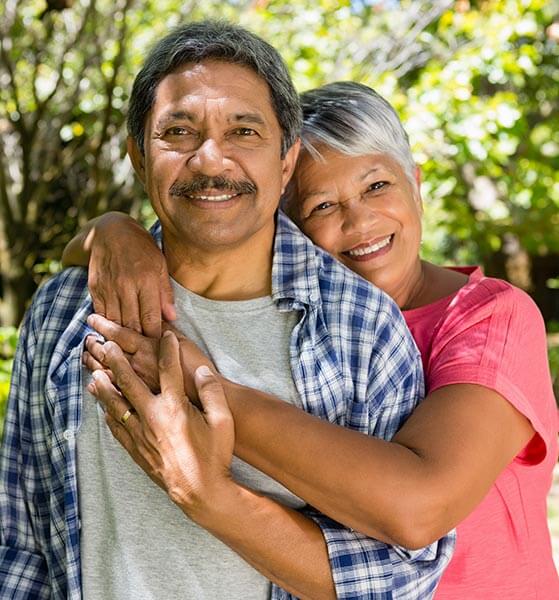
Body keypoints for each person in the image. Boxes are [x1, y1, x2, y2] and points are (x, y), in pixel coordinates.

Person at [0, 22, 455, 600]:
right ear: (139, 158)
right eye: (179, 131)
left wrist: (208, 494)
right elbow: (21, 540)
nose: (210, 160)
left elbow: (403, 577)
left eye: (243, 131)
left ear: (286, 162)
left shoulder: (361, 328)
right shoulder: (67, 307)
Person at [66, 81, 559, 599]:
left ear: (415, 184)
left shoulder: (487, 317)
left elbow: (420, 508)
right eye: (322, 206)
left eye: (377, 187)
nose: (359, 220)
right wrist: (113, 231)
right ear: (285, 228)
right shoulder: (298, 329)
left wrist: (194, 380)